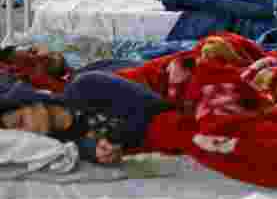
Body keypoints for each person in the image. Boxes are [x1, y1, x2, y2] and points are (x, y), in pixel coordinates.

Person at [0, 71, 171, 165]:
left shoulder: (86, 86)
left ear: (32, 101)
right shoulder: (68, 148)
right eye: (19, 135)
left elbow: (153, 104)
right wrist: (101, 153)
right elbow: (92, 150)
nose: (26, 133)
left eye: (21, 122)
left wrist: (119, 137)